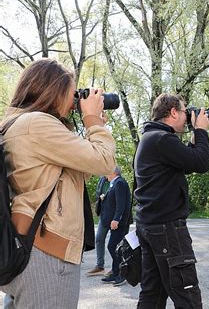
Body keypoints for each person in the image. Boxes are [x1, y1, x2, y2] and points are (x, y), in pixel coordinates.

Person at [0, 58, 116, 308]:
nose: (75, 100)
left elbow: (76, 177)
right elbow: (105, 162)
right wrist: (93, 120)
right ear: (54, 90)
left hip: (29, 247)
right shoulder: (37, 124)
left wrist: (94, 125)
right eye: (72, 93)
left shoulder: (18, 122)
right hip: (47, 252)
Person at [134, 93, 209, 308]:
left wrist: (196, 137)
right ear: (173, 112)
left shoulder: (152, 138)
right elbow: (201, 162)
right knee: (187, 296)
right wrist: (201, 130)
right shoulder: (162, 139)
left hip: (151, 226)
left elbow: (187, 162)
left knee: (153, 294)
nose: (188, 117)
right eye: (185, 112)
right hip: (167, 229)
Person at [99, 166, 131, 286]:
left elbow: (121, 203)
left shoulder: (120, 183)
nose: (104, 174)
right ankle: (115, 272)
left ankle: (123, 273)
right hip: (114, 223)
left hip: (119, 223)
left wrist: (116, 219)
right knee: (115, 247)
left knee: (114, 247)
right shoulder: (114, 183)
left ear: (113, 172)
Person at [86, 175, 111, 277]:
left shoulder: (118, 179)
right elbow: (98, 194)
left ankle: (118, 267)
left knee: (115, 244)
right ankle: (100, 266)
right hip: (103, 215)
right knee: (99, 239)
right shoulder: (102, 179)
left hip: (114, 216)